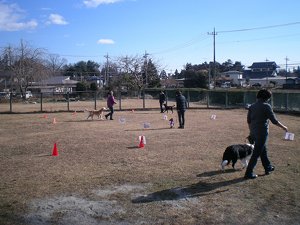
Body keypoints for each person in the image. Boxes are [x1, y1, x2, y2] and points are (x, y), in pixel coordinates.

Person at [244, 89, 288, 179]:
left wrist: (251, 132)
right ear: (267, 98)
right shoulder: (266, 106)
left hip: (254, 132)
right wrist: (284, 127)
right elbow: (274, 121)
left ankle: (268, 167)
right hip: (262, 133)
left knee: (263, 151)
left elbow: (248, 121)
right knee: (256, 153)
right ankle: (248, 173)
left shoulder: (252, 106)